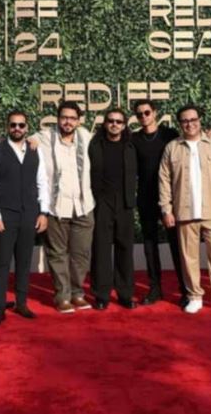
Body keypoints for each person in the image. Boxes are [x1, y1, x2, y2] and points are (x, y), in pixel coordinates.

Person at [158, 105, 211, 315]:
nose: (190, 124)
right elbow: (164, 180)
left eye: (193, 119)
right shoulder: (172, 148)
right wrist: (166, 209)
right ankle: (195, 296)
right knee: (189, 257)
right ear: (180, 124)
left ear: (200, 120)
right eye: (185, 121)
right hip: (184, 212)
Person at [0, 111, 50, 327]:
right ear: (7, 127)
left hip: (29, 214)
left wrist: (44, 212)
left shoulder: (35, 150)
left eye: (21, 125)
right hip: (6, 215)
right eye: (13, 125)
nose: (17, 129)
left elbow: (42, 182)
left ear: (27, 127)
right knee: (2, 263)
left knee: (24, 261)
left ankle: (21, 303)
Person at [34, 101, 96, 313]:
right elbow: (22, 141)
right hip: (56, 207)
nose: (68, 122)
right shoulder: (44, 137)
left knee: (81, 254)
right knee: (57, 254)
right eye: (64, 117)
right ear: (58, 119)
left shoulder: (86, 137)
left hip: (83, 206)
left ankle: (77, 293)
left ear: (79, 121)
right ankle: (62, 296)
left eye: (72, 118)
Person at [132, 99, 188, 307]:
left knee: (176, 244)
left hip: (170, 198)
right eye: (139, 114)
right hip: (145, 198)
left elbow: (190, 142)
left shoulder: (169, 134)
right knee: (149, 245)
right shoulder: (134, 139)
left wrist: (210, 134)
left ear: (154, 113)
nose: (144, 117)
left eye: (147, 112)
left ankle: (185, 289)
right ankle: (155, 288)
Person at [89, 108, 138, 310]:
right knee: (101, 249)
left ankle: (125, 294)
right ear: (105, 123)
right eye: (111, 121)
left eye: (119, 121)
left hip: (125, 202)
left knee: (125, 249)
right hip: (102, 202)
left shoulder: (132, 145)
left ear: (124, 125)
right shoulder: (94, 144)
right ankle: (101, 295)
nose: (114, 124)